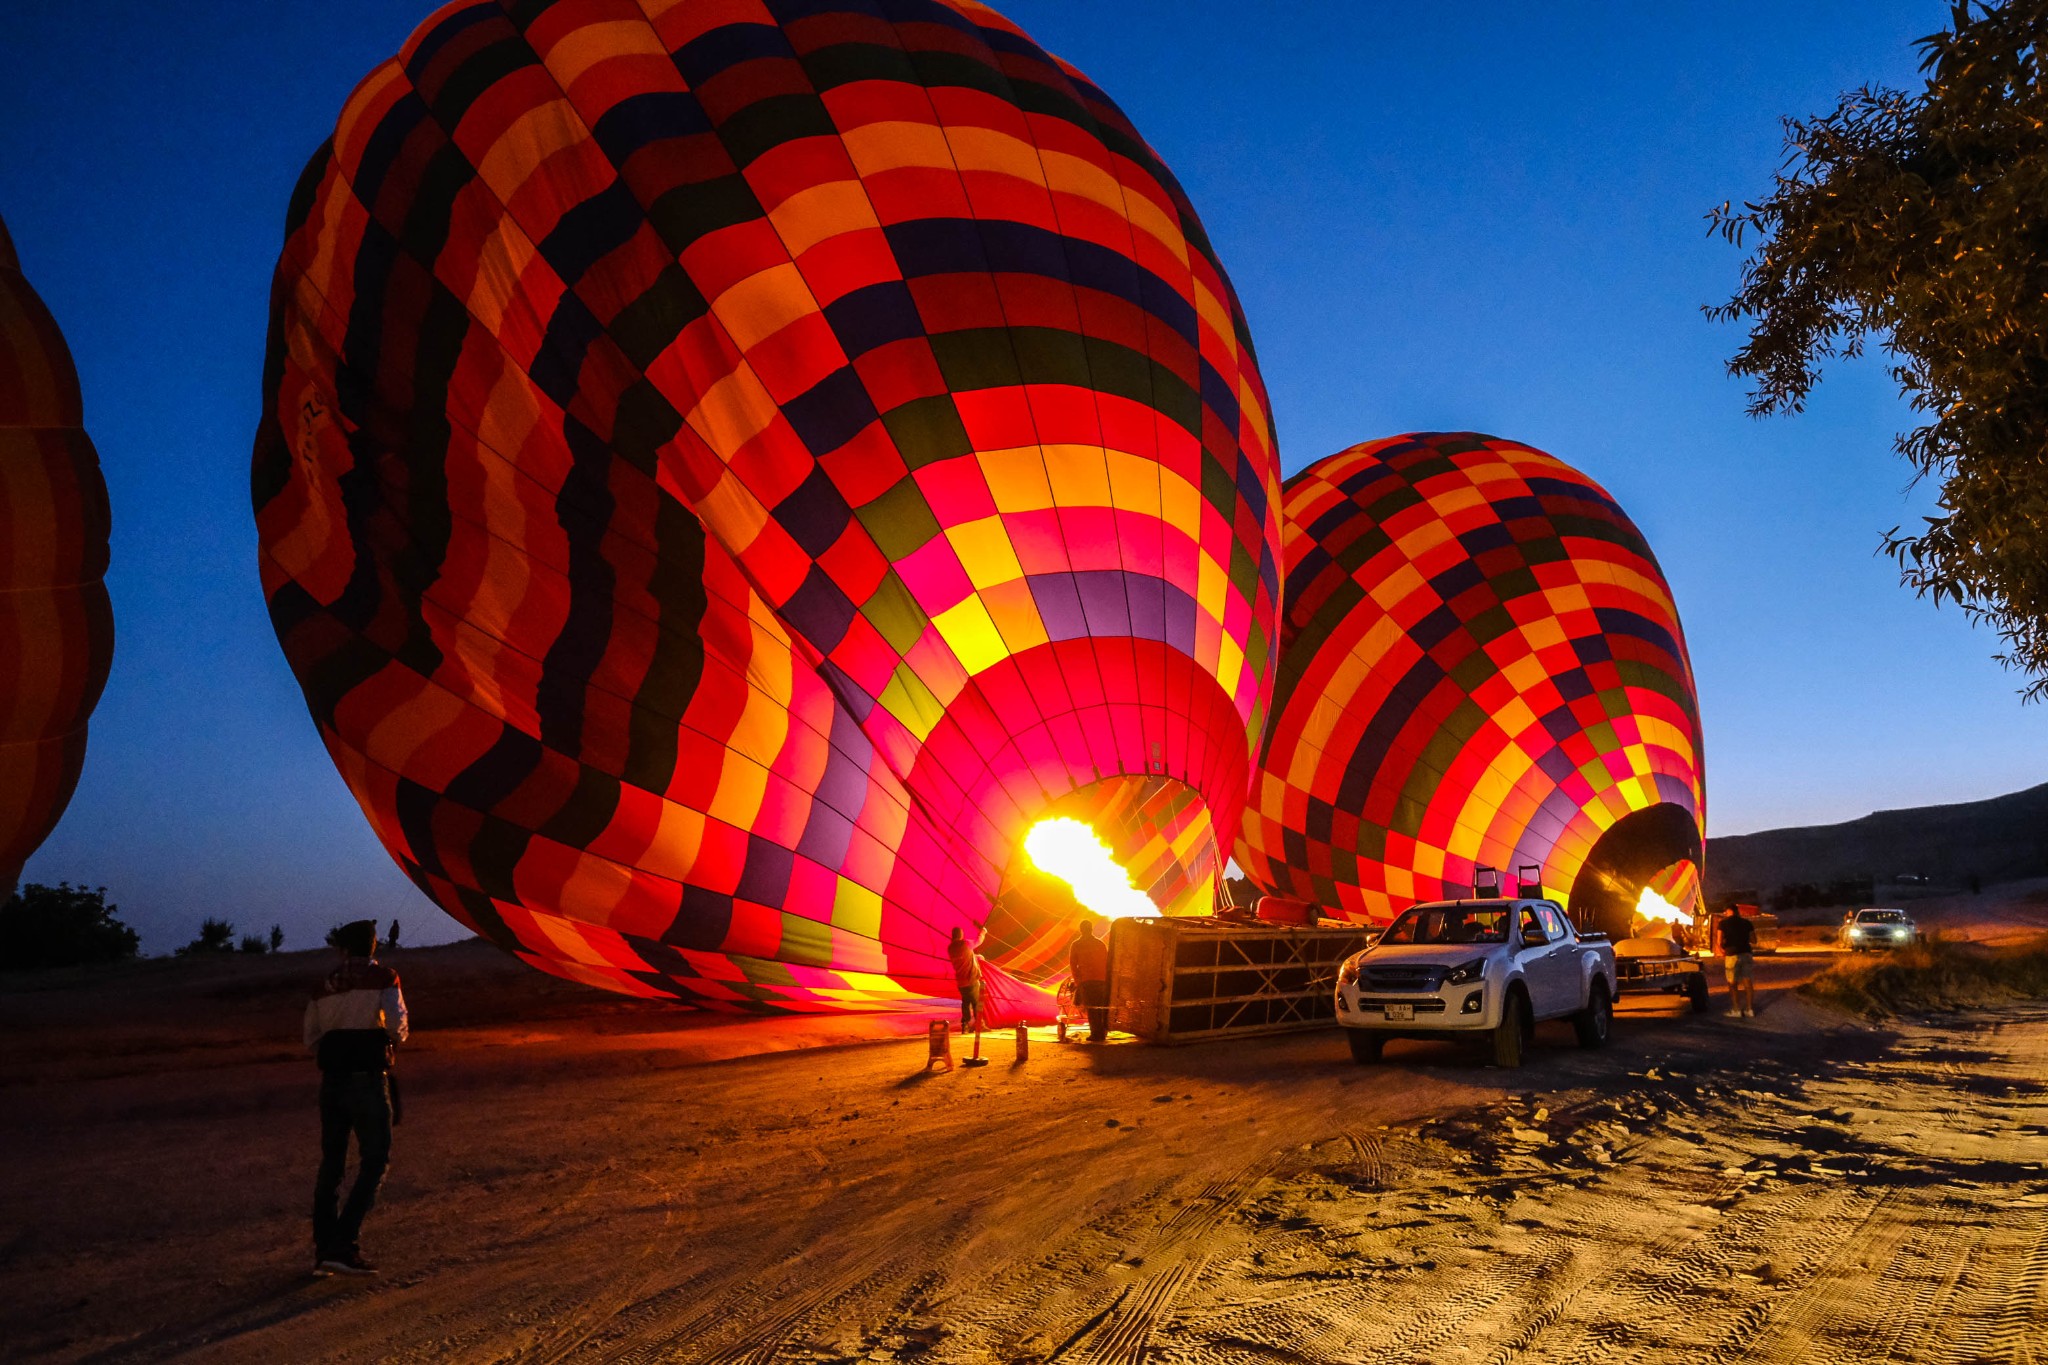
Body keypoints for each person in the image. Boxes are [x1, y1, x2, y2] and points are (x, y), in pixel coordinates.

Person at [304, 919, 408, 1276]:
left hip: (331, 1082)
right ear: (373, 946)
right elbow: (397, 1024)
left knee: (331, 1165)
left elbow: (311, 1036)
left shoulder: (323, 986)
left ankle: (324, 1251)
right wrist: (388, 1041)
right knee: (375, 1160)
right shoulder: (385, 978)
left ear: (342, 949)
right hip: (367, 1079)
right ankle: (342, 1244)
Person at [1068, 919, 1110, 1043]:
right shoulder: (1100, 944)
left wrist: (1077, 982)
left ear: (1081, 930)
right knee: (1101, 1007)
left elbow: (1073, 965)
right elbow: (1107, 962)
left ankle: (1096, 1034)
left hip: (1087, 980)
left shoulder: (1076, 944)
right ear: (1091, 929)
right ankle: (1102, 1033)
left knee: (1092, 1009)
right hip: (1102, 980)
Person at [1715, 904, 1757, 1018]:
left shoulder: (1723, 924)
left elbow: (1718, 942)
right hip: (1746, 954)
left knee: (1732, 984)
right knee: (1748, 982)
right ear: (1737, 911)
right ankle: (1749, 1009)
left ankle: (1736, 1010)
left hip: (1731, 955)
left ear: (1727, 911)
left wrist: (1722, 951)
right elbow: (1754, 940)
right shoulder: (1747, 923)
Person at [947, 926, 983, 1034]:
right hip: (971, 979)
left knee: (966, 1003)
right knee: (976, 1003)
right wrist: (983, 932)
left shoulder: (951, 948)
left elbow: (964, 957)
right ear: (961, 935)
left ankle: (965, 1025)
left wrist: (976, 956)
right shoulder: (966, 944)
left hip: (961, 983)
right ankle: (979, 1026)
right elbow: (979, 941)